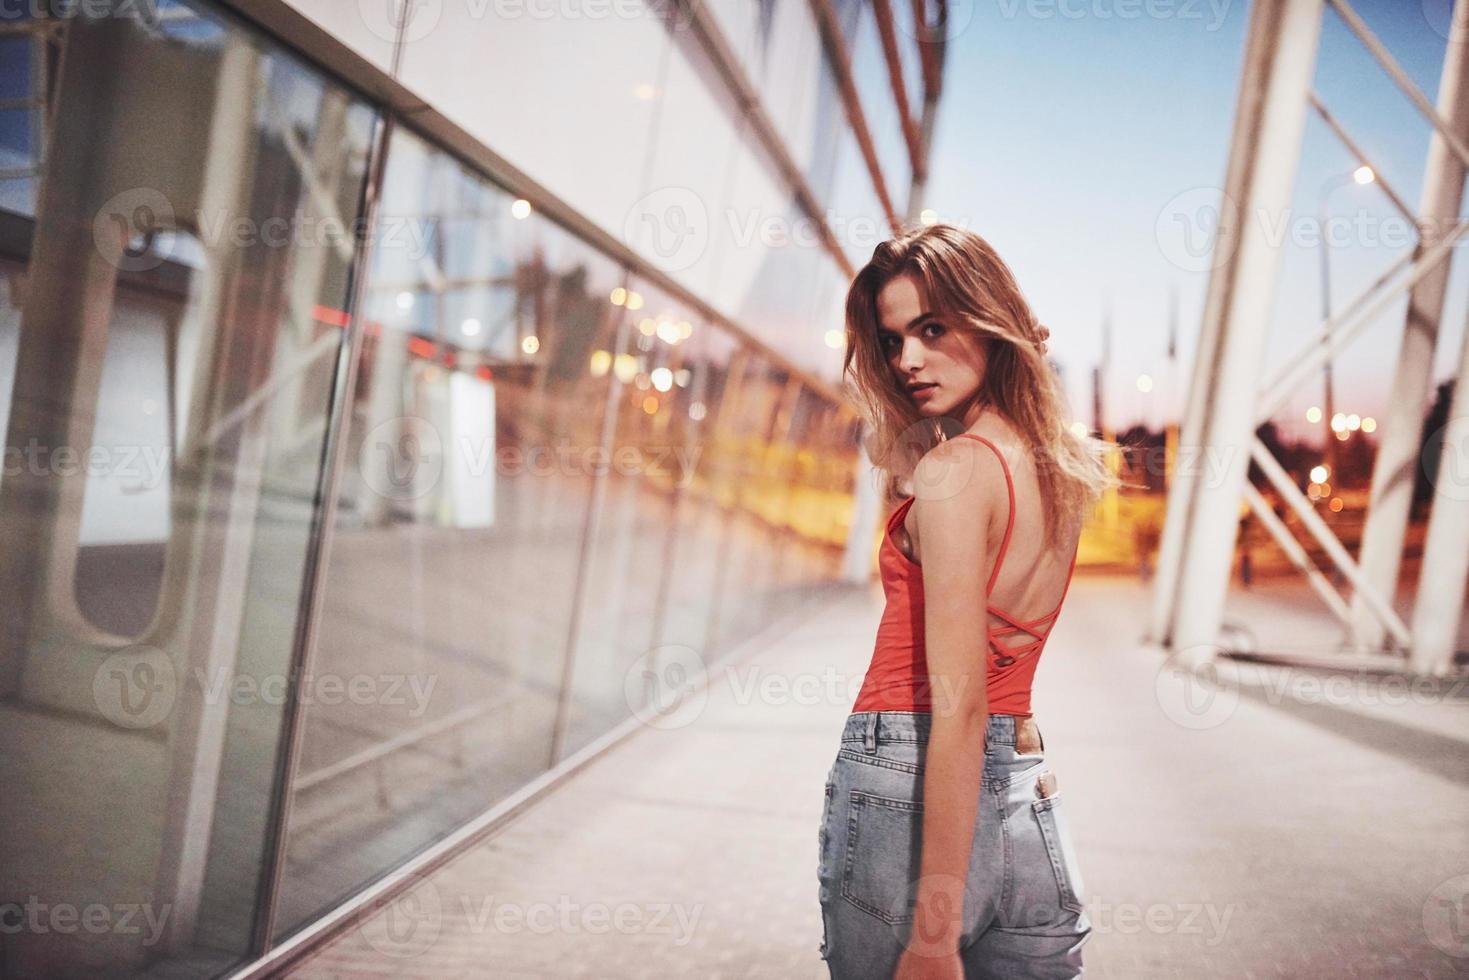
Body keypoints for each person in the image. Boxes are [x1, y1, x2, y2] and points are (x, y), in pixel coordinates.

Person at [817, 224, 1116, 979]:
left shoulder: (955, 474)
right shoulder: (1058, 473)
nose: (907, 360)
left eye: (931, 328)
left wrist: (934, 934)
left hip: (910, 779)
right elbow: (895, 447)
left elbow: (958, 707)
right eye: (891, 341)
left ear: (987, 319)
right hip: (1022, 788)